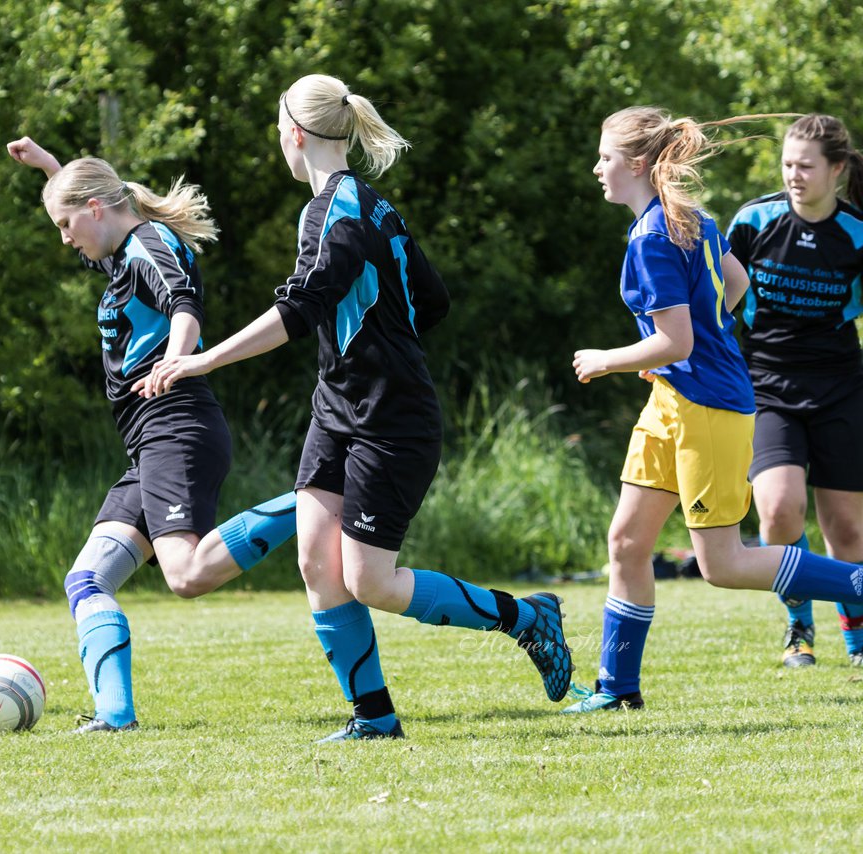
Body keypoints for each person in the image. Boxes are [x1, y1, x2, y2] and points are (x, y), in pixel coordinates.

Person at [138, 74, 573, 743]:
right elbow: (433, 302)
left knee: (369, 579)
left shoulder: (333, 212)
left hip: (390, 419)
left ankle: (526, 618)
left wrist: (202, 359)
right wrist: (374, 339)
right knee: (318, 560)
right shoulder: (374, 207)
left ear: (294, 134)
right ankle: (374, 717)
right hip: (340, 407)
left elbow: (299, 309)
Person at [565, 106, 863, 713]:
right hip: (673, 399)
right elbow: (736, 286)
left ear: (639, 165)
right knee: (625, 541)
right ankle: (617, 690)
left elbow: (677, 341)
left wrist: (607, 357)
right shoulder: (688, 218)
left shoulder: (654, 235)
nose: (597, 169)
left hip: (708, 407)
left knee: (722, 564)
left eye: (606, 158)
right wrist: (693, 341)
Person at [7, 138, 298, 734]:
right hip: (151, 440)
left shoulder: (147, 246)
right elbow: (89, 213)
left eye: (65, 224)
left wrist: (177, 357)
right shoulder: (121, 248)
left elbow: (183, 303)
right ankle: (115, 716)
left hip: (176, 424)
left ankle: (314, 499)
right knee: (86, 580)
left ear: (93, 208)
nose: (65, 239)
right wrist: (51, 170)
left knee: (186, 575)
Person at [726, 114, 863, 668]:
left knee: (847, 528)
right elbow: (713, 298)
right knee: (779, 511)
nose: (794, 175)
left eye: (806, 166)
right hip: (767, 385)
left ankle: (857, 641)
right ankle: (798, 628)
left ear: (836, 169)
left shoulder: (856, 233)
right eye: (786, 164)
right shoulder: (754, 221)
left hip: (840, 386)